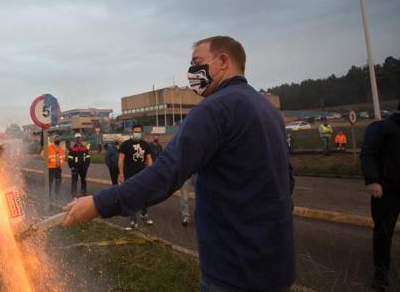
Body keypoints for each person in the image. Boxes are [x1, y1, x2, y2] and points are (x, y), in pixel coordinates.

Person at [63, 36, 295, 291]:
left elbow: (165, 174)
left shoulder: (213, 109)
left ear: (224, 61)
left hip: (234, 269)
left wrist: (98, 203)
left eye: (197, 62)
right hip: (277, 265)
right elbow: (287, 179)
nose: (192, 72)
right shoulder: (269, 111)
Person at [360, 101, 400, 291]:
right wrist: (372, 180)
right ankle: (381, 273)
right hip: (387, 190)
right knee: (383, 233)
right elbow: (368, 153)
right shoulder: (383, 128)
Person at [118, 124, 154, 231]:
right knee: (131, 197)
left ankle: (144, 215)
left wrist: (150, 171)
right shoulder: (125, 145)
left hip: (142, 175)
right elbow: (120, 160)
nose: (137, 133)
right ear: (132, 132)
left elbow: (149, 159)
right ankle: (133, 220)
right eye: (135, 131)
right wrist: (121, 174)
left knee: (144, 196)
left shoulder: (145, 145)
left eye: (139, 131)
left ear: (141, 132)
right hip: (129, 175)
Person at [67, 133, 90, 197]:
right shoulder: (72, 149)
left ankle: (84, 191)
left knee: (84, 180)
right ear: (75, 139)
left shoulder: (85, 148)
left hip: (83, 167)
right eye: (77, 138)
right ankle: (73, 192)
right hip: (75, 167)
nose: (78, 139)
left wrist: (86, 166)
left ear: (80, 138)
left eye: (79, 138)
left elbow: (88, 157)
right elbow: (69, 158)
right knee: (74, 180)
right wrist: (71, 166)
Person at [47, 135, 66, 201]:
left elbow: (63, 157)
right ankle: (49, 196)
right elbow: (42, 154)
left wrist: (62, 163)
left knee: (58, 182)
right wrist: (48, 160)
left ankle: (57, 195)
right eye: (56, 138)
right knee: (50, 182)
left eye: (58, 138)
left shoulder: (61, 149)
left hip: (58, 168)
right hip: (51, 168)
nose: (57, 140)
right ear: (53, 140)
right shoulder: (49, 147)